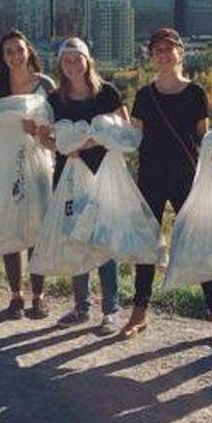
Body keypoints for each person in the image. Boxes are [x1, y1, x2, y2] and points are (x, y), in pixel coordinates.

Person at [123, 27, 212, 344]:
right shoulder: (144, 96)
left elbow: (203, 137)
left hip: (186, 177)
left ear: (180, 53)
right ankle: (139, 313)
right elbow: (135, 137)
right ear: (151, 56)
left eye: (168, 48)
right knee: (146, 246)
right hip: (151, 177)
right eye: (157, 50)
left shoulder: (196, 93)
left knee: (200, 244)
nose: (163, 54)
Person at [39, 37, 123, 336]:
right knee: (76, 239)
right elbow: (44, 139)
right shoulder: (55, 100)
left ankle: (111, 310)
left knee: (103, 241)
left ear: (88, 61)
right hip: (68, 178)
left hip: (101, 176)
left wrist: (89, 142)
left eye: (77, 58)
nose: (72, 64)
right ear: (60, 64)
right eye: (66, 59)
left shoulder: (107, 93)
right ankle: (81, 307)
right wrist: (62, 147)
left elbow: (123, 129)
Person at [0, 29, 56, 320]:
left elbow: (58, 123)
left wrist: (38, 130)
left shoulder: (45, 85)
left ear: (29, 52)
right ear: (3, 57)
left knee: (38, 227)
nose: (15, 56)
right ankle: (15, 295)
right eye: (9, 52)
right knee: (9, 225)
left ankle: (39, 295)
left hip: (39, 162)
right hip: (6, 164)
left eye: (19, 50)